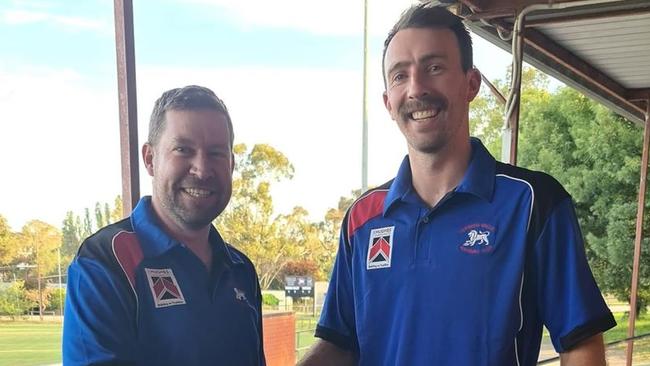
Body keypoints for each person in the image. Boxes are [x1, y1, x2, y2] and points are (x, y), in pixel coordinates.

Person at [299, 4, 615, 366]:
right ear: (388, 102)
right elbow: (339, 345)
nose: (416, 87)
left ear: (471, 83)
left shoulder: (533, 203)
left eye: (434, 68)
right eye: (400, 75)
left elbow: (580, 344)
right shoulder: (362, 218)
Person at [63, 85, 266, 366]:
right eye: (183, 149)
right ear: (150, 159)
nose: (202, 168)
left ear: (231, 164)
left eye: (216, 153)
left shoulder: (241, 270)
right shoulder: (105, 261)